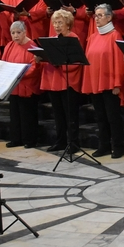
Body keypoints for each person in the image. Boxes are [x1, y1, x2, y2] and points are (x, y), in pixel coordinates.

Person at [83, 4, 124, 159]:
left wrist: (117, 84)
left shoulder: (115, 36)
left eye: (100, 15)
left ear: (109, 17)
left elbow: (119, 62)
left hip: (110, 84)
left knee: (113, 117)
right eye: (96, 15)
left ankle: (118, 147)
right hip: (96, 82)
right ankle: (104, 146)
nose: (97, 18)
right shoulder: (92, 37)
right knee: (100, 116)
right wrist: (89, 82)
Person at [39, 10, 82, 154]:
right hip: (54, 81)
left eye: (60, 23)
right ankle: (60, 141)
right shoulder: (52, 39)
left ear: (68, 24)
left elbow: (77, 61)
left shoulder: (73, 38)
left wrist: (60, 63)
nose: (57, 26)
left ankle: (73, 143)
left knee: (70, 115)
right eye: (55, 23)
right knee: (58, 114)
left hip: (67, 81)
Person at [2, 21, 42, 149]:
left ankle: (30, 140)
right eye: (13, 33)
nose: (15, 35)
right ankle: (16, 139)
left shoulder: (32, 46)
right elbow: (4, 62)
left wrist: (19, 74)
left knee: (27, 115)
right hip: (14, 85)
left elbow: (35, 66)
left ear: (25, 32)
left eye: (18, 32)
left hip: (27, 85)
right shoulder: (9, 46)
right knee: (15, 114)